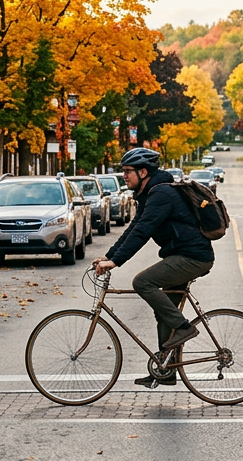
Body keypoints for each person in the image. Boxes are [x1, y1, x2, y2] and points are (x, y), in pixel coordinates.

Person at [92, 147, 214, 387]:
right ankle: (166, 369)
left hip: (193, 257)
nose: (124, 176)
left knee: (142, 282)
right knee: (163, 311)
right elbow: (133, 227)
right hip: (182, 254)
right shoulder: (150, 194)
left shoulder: (161, 195)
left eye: (128, 171)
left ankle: (184, 328)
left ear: (144, 171)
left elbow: (143, 231)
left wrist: (116, 262)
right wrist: (109, 256)